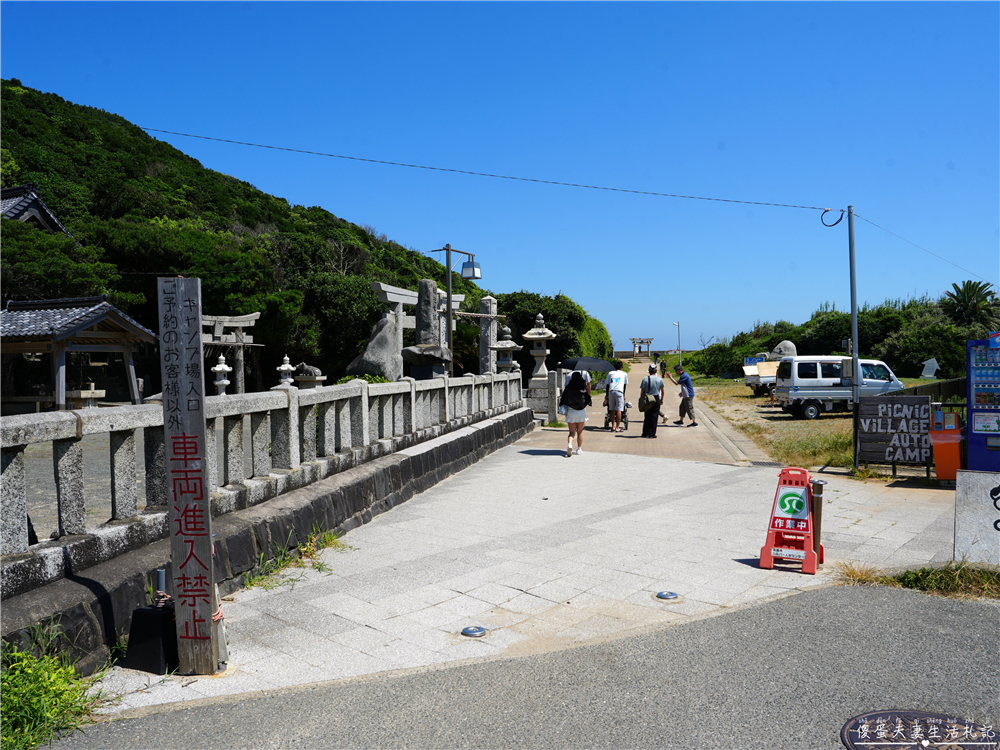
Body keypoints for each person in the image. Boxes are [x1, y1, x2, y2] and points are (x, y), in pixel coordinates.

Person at [560, 370, 592, 456]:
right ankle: (579, 449)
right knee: (580, 431)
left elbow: (563, 399)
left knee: (571, 433)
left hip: (571, 411)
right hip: (581, 412)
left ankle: (570, 444)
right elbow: (588, 399)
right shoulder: (583, 388)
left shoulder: (568, 388)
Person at [602, 362, 628, 432]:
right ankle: (617, 427)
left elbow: (607, 385)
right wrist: (624, 395)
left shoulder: (610, 373)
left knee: (612, 409)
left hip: (611, 391)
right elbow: (624, 386)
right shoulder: (624, 373)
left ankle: (613, 426)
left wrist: (607, 395)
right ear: (621, 368)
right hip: (619, 392)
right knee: (619, 409)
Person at [640, 364, 664, 438]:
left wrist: (641, 399)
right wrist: (661, 400)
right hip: (656, 398)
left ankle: (645, 433)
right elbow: (663, 391)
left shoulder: (644, 379)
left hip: (647, 398)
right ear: (656, 371)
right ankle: (652, 433)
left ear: (649, 371)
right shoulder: (660, 379)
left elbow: (642, 391)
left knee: (647, 416)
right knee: (654, 416)